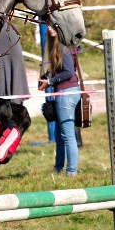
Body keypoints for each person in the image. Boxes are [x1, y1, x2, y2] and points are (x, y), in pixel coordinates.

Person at [38, 28, 80, 176]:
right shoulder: (56, 47)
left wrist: (50, 81)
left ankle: (72, 171)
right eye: (48, 25)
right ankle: (58, 168)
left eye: (53, 26)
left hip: (66, 94)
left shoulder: (63, 48)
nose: (49, 28)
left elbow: (69, 72)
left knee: (68, 135)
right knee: (61, 133)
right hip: (63, 93)